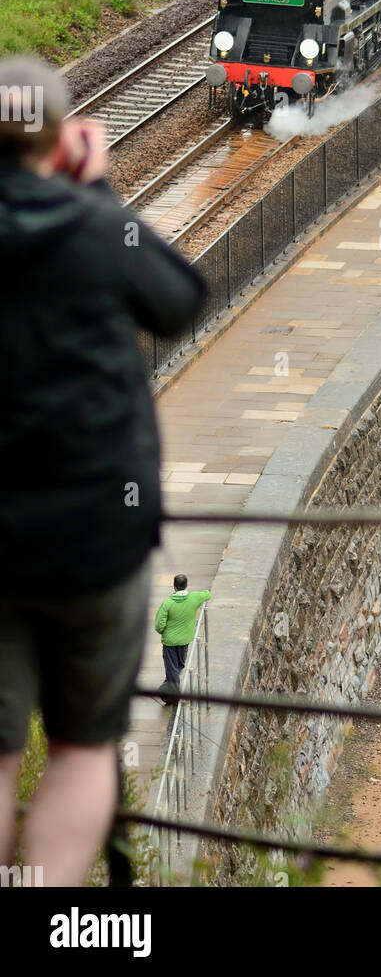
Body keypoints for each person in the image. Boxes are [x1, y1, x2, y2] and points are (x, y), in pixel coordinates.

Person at [0, 57, 205, 887]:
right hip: (92, 533)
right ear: (59, 138)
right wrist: (96, 193)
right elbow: (181, 300)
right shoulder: (90, 224)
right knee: (85, 745)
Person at [154, 575, 212, 704]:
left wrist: (163, 631)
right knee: (179, 665)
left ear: (174, 586)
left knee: (172, 668)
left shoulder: (167, 603)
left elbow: (158, 625)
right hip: (185, 640)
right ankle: (169, 693)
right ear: (186, 585)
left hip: (169, 642)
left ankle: (169, 693)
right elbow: (207, 594)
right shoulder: (194, 598)